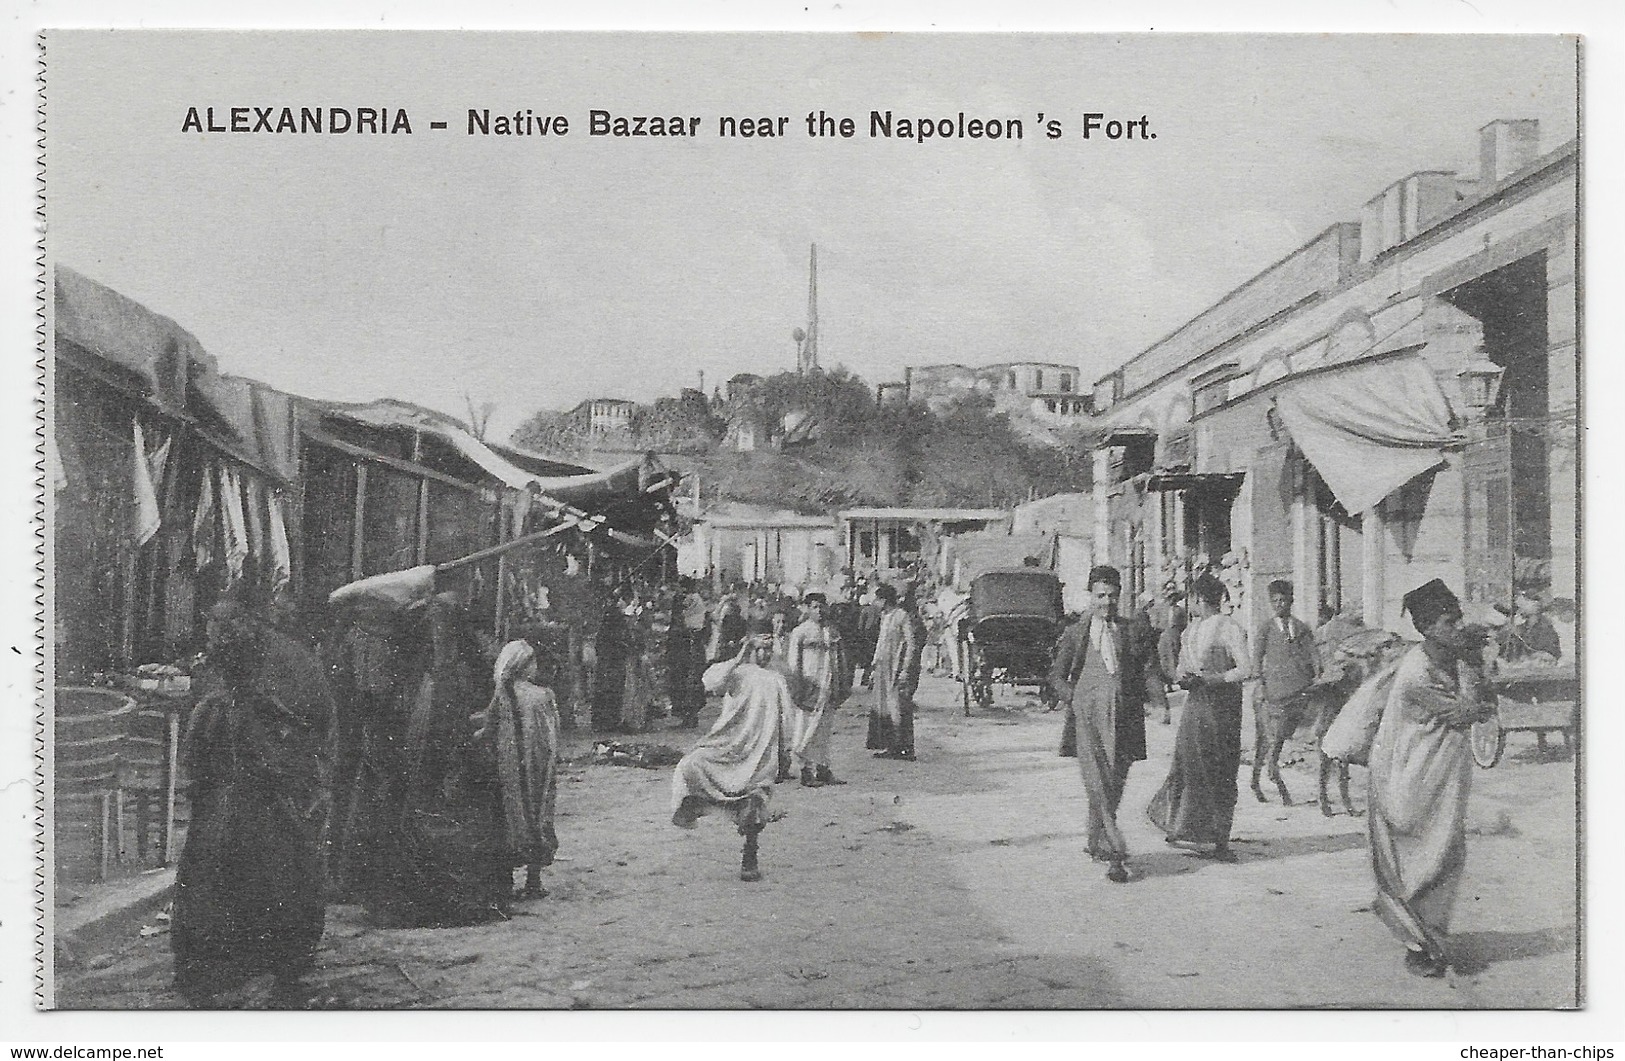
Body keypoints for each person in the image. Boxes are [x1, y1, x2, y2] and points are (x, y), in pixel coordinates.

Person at [171, 598, 335, 1006]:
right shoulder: (251, 659)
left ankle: (264, 959)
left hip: (268, 785)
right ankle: (239, 960)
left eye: (218, 632)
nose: (213, 641)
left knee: (266, 867)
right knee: (229, 869)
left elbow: (291, 722)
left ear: (239, 628)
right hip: (245, 784)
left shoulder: (274, 665)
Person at [1368, 578, 1493, 978]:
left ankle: (1430, 940)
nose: (1456, 628)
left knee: (1446, 851)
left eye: (1458, 620)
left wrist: (1471, 663)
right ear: (1425, 629)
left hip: (1440, 768)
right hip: (1409, 773)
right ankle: (1419, 943)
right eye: (1447, 623)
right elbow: (1468, 711)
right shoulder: (1418, 672)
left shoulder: (1447, 658)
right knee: (1426, 853)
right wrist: (1474, 665)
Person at [1048, 566, 1149, 883]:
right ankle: (1116, 852)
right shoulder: (1076, 633)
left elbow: (1145, 670)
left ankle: (1095, 841)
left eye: (1113, 596)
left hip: (1123, 719)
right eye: (1101, 596)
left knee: (1114, 783)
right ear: (1090, 596)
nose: (1107, 602)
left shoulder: (1130, 630)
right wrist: (1072, 699)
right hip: (1087, 720)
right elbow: (1056, 676)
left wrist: (1158, 702)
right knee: (1097, 782)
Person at [671, 633, 794, 882]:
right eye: (759, 648)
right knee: (691, 765)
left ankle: (750, 854)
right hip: (729, 745)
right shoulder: (738, 673)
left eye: (769, 649)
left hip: (761, 748)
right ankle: (697, 806)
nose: (765, 654)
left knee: (755, 796)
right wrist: (740, 655)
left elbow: (786, 718)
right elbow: (711, 682)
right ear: (749, 648)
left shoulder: (776, 679)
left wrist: (784, 752)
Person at [1147, 573, 1250, 861]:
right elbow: (1181, 669)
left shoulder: (1230, 628)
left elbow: (1245, 669)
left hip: (1223, 706)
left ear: (1199, 600)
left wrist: (1213, 678)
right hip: (1197, 704)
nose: (1189, 604)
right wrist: (1185, 679)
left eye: (1192, 599)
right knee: (1190, 763)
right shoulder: (1189, 632)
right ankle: (1187, 829)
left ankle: (1219, 839)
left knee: (1220, 767)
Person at [474, 640, 561, 901]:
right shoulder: (543, 695)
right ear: (524, 666)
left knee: (511, 816)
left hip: (509, 767)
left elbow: (488, 730)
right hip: (539, 766)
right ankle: (533, 881)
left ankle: (507, 880)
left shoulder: (503, 695)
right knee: (538, 814)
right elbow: (553, 734)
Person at [1249, 579, 1320, 805]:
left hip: (1301, 685)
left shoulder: (1300, 627)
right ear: (1271, 603)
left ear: (1291, 601)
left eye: (1284, 600)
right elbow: (1257, 659)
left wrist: (1318, 671)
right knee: (1270, 738)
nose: (1280, 605)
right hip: (1275, 689)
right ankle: (1264, 775)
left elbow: (1312, 651)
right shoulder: (1266, 629)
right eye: (1276, 601)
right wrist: (1260, 683)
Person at [785, 592, 852, 788]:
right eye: (814, 606)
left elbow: (840, 660)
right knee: (805, 730)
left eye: (822, 606)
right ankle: (806, 772)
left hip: (828, 686)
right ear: (806, 608)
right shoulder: (800, 632)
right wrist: (798, 689)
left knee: (824, 730)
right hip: (809, 687)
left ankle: (823, 769)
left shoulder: (832, 631)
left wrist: (842, 684)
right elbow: (793, 665)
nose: (819, 610)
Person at [868, 585, 922, 761]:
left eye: (877, 599)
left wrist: (906, 668)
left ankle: (905, 748)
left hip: (896, 666)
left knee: (898, 706)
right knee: (885, 707)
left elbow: (911, 643)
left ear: (884, 600)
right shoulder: (884, 616)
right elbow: (881, 642)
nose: (875, 603)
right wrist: (874, 665)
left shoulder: (901, 616)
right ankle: (891, 746)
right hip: (883, 666)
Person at [1498, 588, 1561, 663]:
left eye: (1526, 599)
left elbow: (1551, 655)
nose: (1519, 602)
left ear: (1536, 605)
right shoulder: (1521, 627)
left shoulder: (1545, 629)